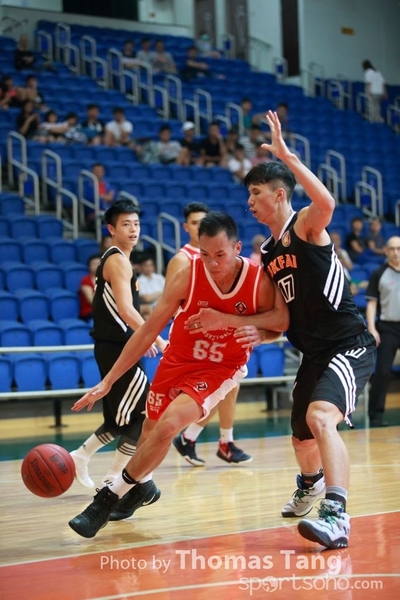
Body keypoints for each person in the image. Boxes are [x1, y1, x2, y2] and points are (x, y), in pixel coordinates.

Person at [68, 211, 288, 538]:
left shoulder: (258, 281)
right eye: (205, 254)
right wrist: (108, 380)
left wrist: (248, 329)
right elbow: (147, 331)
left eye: (220, 255)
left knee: (170, 425)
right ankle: (142, 487)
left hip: (219, 367)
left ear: (237, 247)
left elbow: (280, 322)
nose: (212, 263)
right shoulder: (188, 274)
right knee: (150, 429)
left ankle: (106, 499)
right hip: (178, 358)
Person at [222, 110, 375, 550]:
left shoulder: (305, 224)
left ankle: (337, 516)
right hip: (313, 352)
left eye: (256, 193)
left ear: (279, 194)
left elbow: (327, 205)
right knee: (301, 437)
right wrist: (253, 329)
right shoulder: (269, 252)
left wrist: (288, 157)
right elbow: (281, 319)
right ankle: (310, 484)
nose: (250, 202)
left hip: (347, 344)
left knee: (321, 417)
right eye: (248, 195)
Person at [70, 200, 166, 511]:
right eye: (126, 224)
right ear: (111, 229)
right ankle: (113, 481)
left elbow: (124, 312)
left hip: (116, 346)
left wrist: (139, 338)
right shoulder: (117, 261)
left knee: (119, 418)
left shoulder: (120, 260)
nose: (133, 229)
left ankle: (80, 456)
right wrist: (156, 338)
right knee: (145, 415)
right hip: (116, 348)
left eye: (136, 223)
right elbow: (125, 310)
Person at [168, 202, 253, 466]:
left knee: (230, 385)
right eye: (194, 223)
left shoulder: (225, 258)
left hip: (221, 334)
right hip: (194, 337)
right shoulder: (182, 260)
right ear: (186, 227)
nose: (200, 227)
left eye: (203, 222)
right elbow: (171, 305)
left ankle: (212, 440)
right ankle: (196, 438)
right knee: (220, 388)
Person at [365, 236, 400, 427]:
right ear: (386, 251)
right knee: (383, 372)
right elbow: (371, 304)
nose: (396, 252)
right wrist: (372, 328)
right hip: (388, 328)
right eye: (392, 248)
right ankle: (376, 416)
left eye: (399, 248)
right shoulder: (379, 274)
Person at [78, 255, 101, 322]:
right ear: (89, 266)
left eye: (99, 263)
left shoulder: (107, 280)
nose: (96, 266)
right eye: (94, 264)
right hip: (90, 311)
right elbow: (90, 300)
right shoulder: (86, 280)